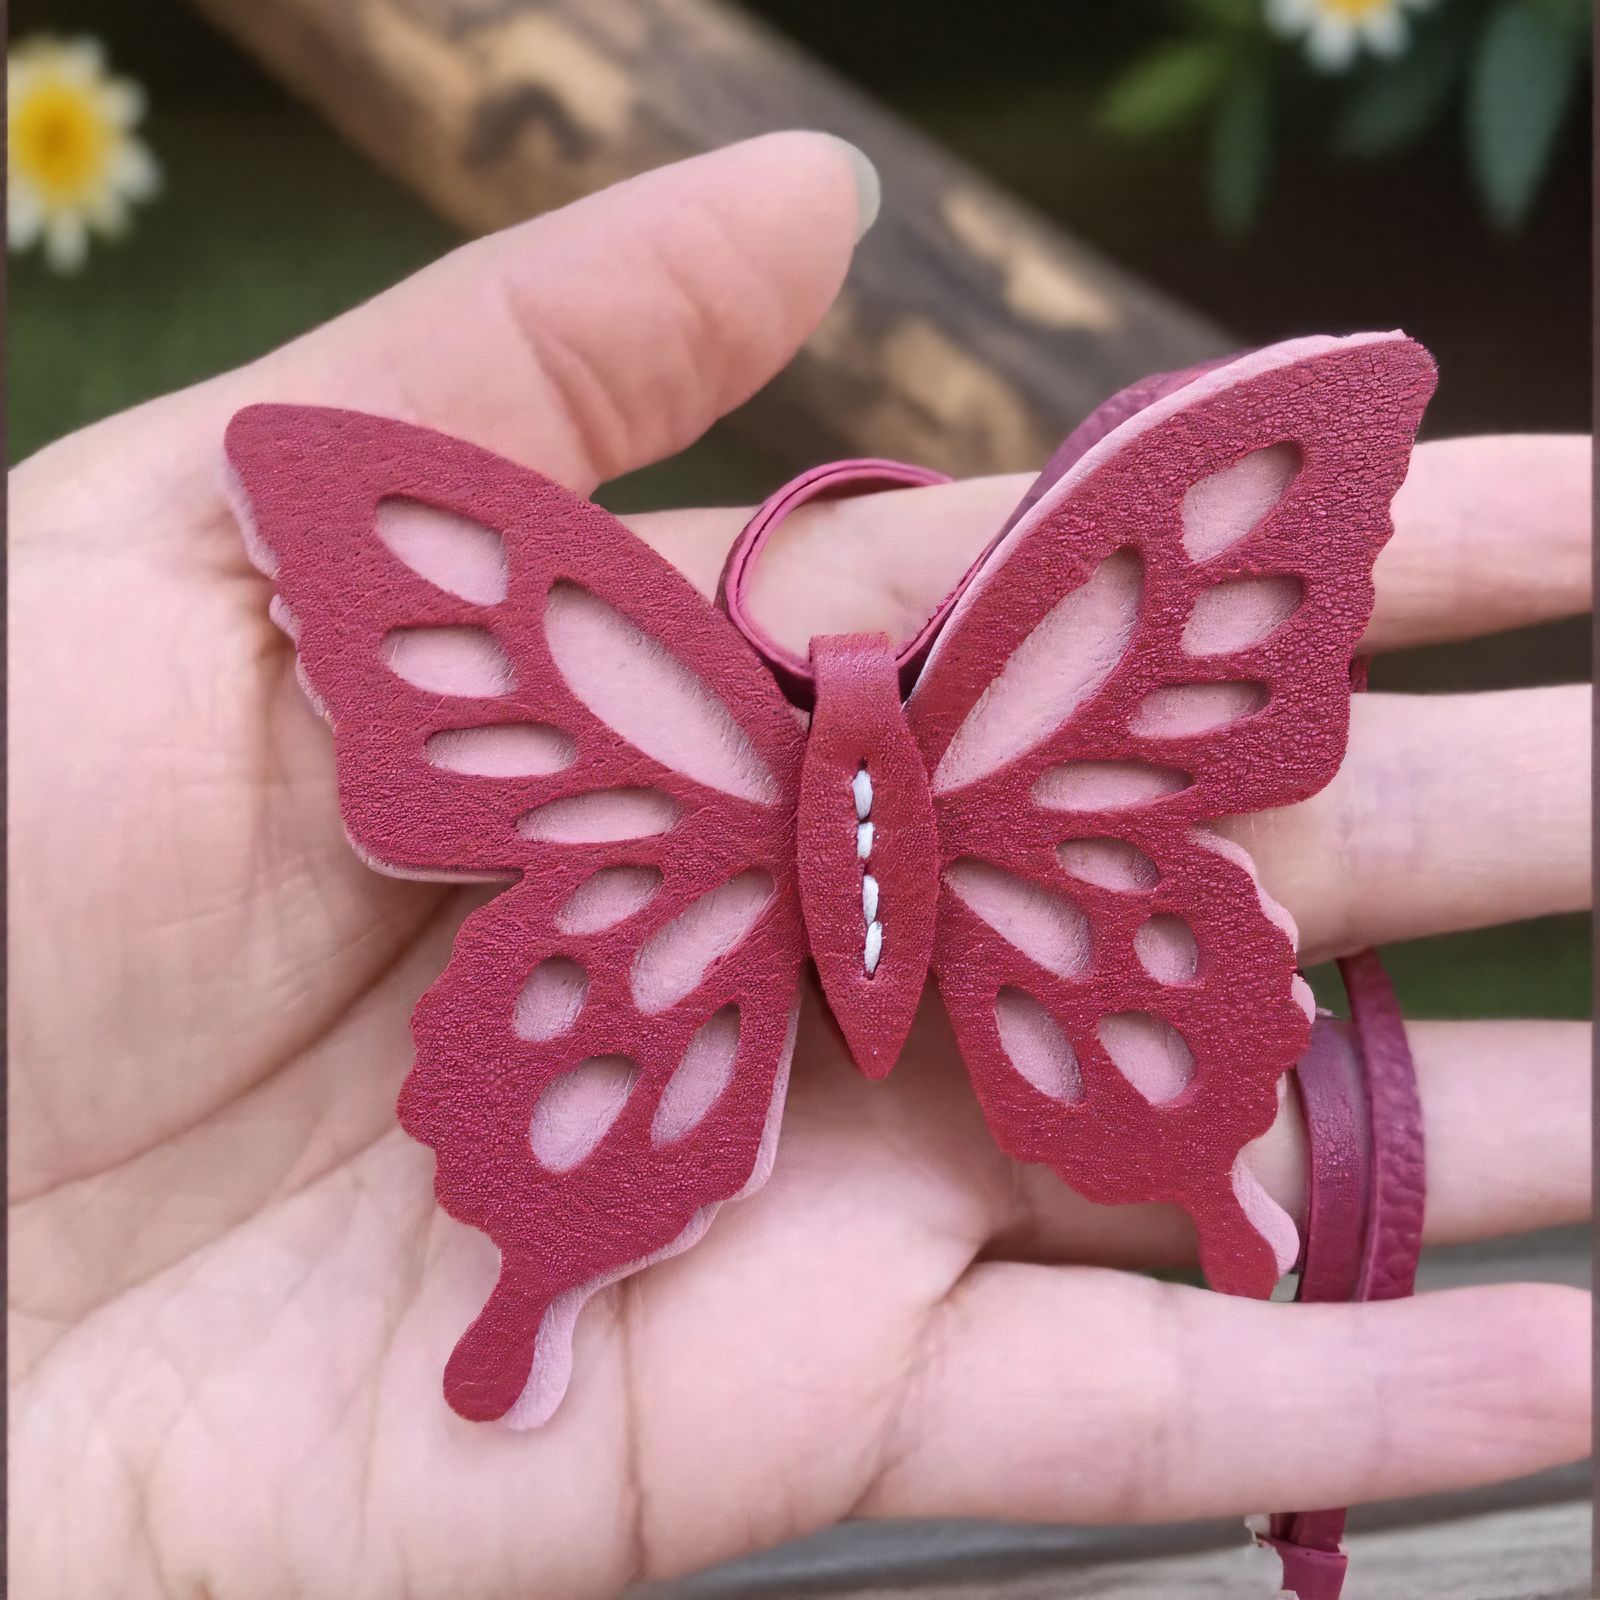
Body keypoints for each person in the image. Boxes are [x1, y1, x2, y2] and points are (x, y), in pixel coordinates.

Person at [9, 132, 1590, 1598]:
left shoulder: (633, 680)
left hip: (675, 921)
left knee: (628, 1049)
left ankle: (1198, 1190)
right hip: (1016, 894)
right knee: (1122, 1000)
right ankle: (554, 1285)